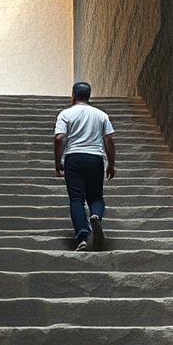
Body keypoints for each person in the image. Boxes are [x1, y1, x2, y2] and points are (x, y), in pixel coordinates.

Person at [54, 82, 116, 250]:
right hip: (95, 159)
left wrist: (58, 161)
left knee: (76, 199)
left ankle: (82, 236)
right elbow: (108, 140)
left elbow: (59, 138)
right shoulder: (101, 115)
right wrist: (111, 164)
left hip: (73, 158)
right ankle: (95, 216)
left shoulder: (65, 114)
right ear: (89, 96)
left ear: (73, 95)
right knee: (95, 197)